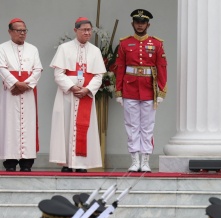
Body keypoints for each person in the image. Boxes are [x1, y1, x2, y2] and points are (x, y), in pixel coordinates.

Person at [114, 9, 167, 173]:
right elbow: (120, 68)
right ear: (132, 24)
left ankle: (145, 160)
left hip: (149, 90)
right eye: (137, 22)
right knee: (131, 126)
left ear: (148, 24)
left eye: (142, 22)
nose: (140, 25)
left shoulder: (157, 44)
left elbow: (162, 68)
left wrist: (161, 90)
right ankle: (134, 160)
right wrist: (119, 91)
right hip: (130, 89)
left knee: (147, 127)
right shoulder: (124, 43)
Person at [50, 17, 105, 173]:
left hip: (86, 96)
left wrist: (87, 90)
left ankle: (82, 164)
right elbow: (58, 74)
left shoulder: (95, 50)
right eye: (84, 30)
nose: (87, 33)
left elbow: (98, 76)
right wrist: (73, 87)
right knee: (66, 128)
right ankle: (67, 163)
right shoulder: (64, 48)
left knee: (85, 129)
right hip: (67, 96)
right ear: (76, 30)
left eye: (89, 30)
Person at [0, 18, 42, 172]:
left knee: (29, 125)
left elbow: (38, 69)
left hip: (29, 93)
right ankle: (10, 162)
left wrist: (26, 85)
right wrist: (15, 84)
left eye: (24, 30)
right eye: (19, 30)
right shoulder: (2, 48)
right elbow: (2, 68)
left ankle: (27, 163)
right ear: (10, 31)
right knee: (9, 124)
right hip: (10, 93)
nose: (22, 33)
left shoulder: (33, 49)